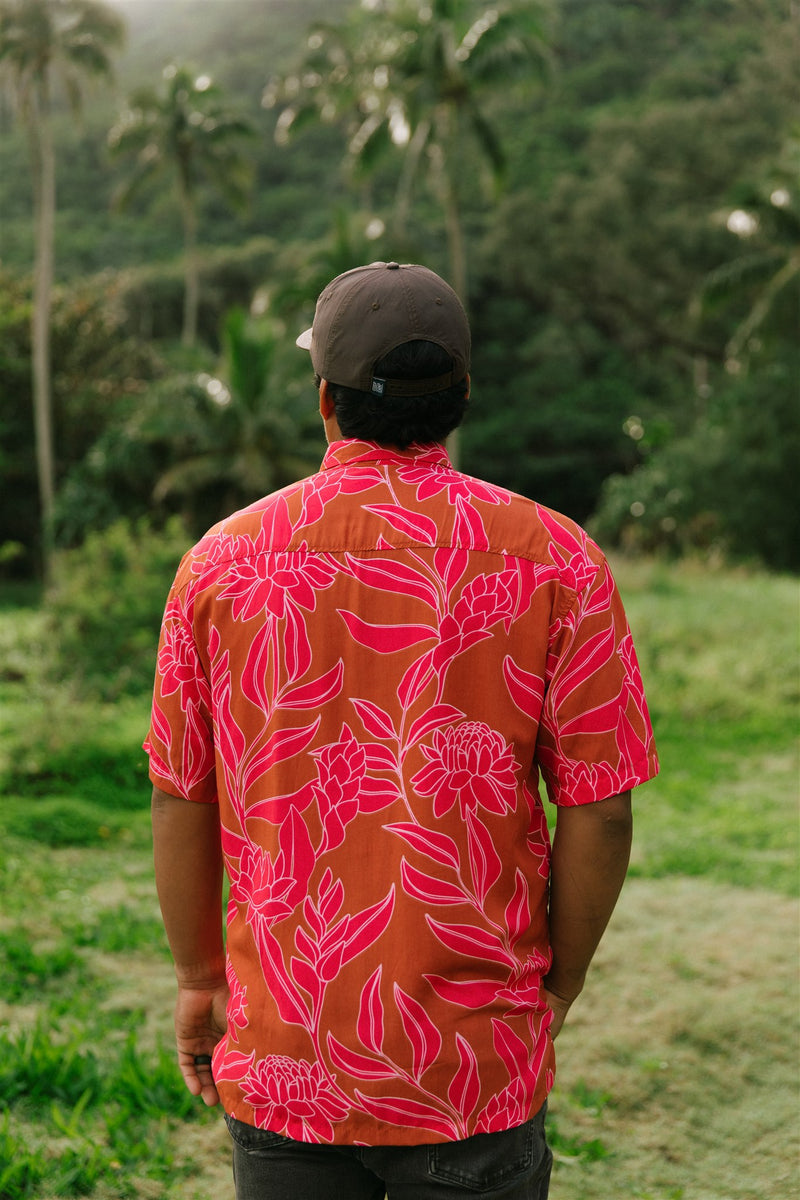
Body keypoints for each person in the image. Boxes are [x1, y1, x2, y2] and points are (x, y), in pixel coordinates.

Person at [146, 261, 659, 1199]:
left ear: (323, 401)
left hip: (286, 1046)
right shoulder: (558, 557)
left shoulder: (217, 566)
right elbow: (602, 808)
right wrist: (560, 984)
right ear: (460, 396)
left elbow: (183, 792)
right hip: (473, 1058)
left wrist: (196, 978)